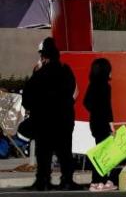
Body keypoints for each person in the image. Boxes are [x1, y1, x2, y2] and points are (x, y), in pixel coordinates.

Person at [23, 37, 77, 191]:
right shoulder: (65, 71)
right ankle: (67, 180)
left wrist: (35, 73)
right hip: (63, 119)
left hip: (43, 120)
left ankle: (43, 180)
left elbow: (27, 98)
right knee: (65, 152)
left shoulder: (39, 75)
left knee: (43, 153)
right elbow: (73, 91)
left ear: (44, 56)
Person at [84, 58, 115, 191]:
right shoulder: (106, 87)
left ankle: (97, 181)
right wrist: (112, 126)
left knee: (99, 150)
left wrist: (95, 110)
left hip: (94, 122)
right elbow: (108, 108)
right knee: (104, 153)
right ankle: (99, 181)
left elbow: (86, 102)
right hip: (103, 123)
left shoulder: (92, 85)